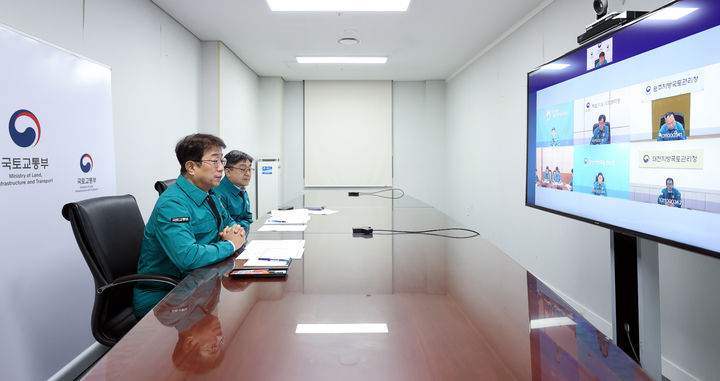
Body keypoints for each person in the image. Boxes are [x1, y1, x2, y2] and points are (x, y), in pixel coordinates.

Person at [133, 133, 246, 318]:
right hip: (168, 295)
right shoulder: (172, 204)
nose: (221, 169)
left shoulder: (210, 195)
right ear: (191, 167)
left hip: (201, 282)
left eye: (222, 161)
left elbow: (231, 225)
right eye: (214, 161)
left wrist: (236, 233)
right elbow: (187, 257)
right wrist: (231, 244)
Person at [214, 150, 254, 235]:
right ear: (228, 171)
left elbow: (248, 218)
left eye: (249, 169)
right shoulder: (218, 194)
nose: (248, 174)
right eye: (243, 169)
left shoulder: (241, 189)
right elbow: (225, 227)